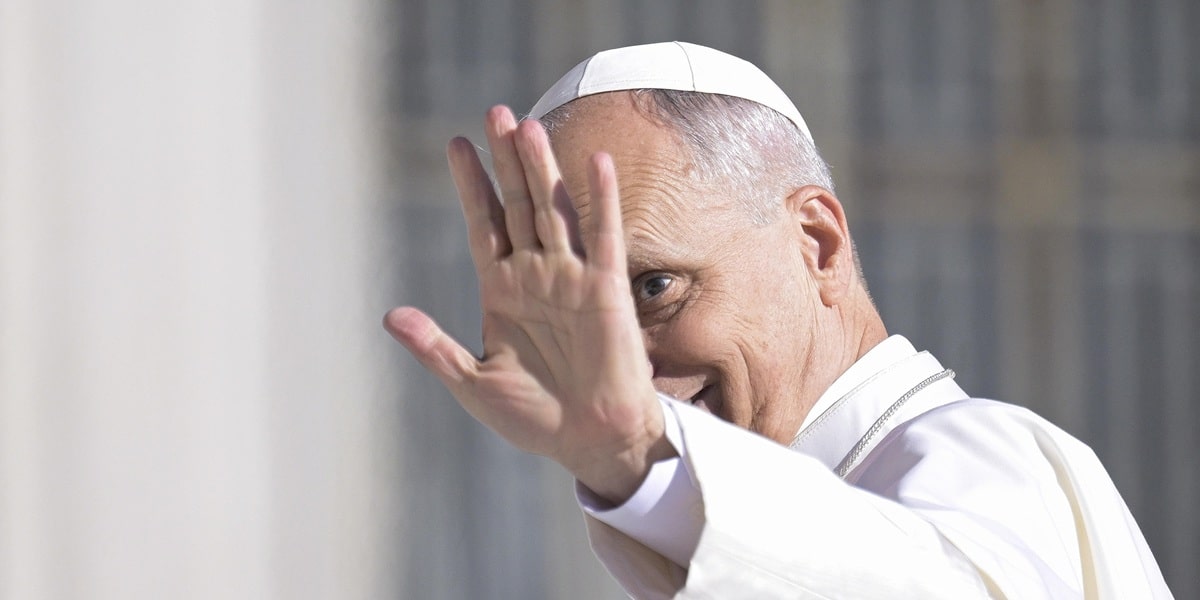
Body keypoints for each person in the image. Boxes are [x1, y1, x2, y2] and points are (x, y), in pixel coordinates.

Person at [384, 41, 1172, 598]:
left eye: (655, 288)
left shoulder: (980, 453)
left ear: (818, 244)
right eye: (574, 332)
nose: (620, 365)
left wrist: (633, 456)